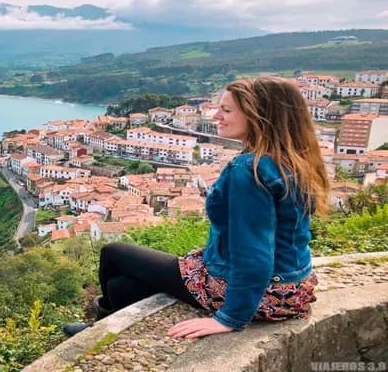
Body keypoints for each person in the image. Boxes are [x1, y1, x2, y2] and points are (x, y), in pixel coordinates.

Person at [64, 77, 330, 339]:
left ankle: (97, 327)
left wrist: (230, 318)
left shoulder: (249, 171)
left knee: (113, 253)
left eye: (226, 110)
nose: (216, 115)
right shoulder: (294, 160)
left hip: (265, 294)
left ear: (259, 115)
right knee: (120, 287)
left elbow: (254, 252)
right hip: (294, 288)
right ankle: (106, 326)